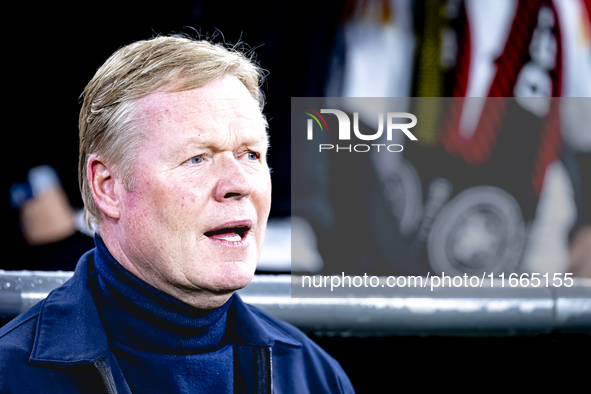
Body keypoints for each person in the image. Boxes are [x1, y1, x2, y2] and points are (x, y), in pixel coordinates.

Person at [0, 35, 354, 393]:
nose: (239, 184)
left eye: (251, 155)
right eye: (197, 158)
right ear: (107, 187)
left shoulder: (315, 377)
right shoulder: (10, 376)